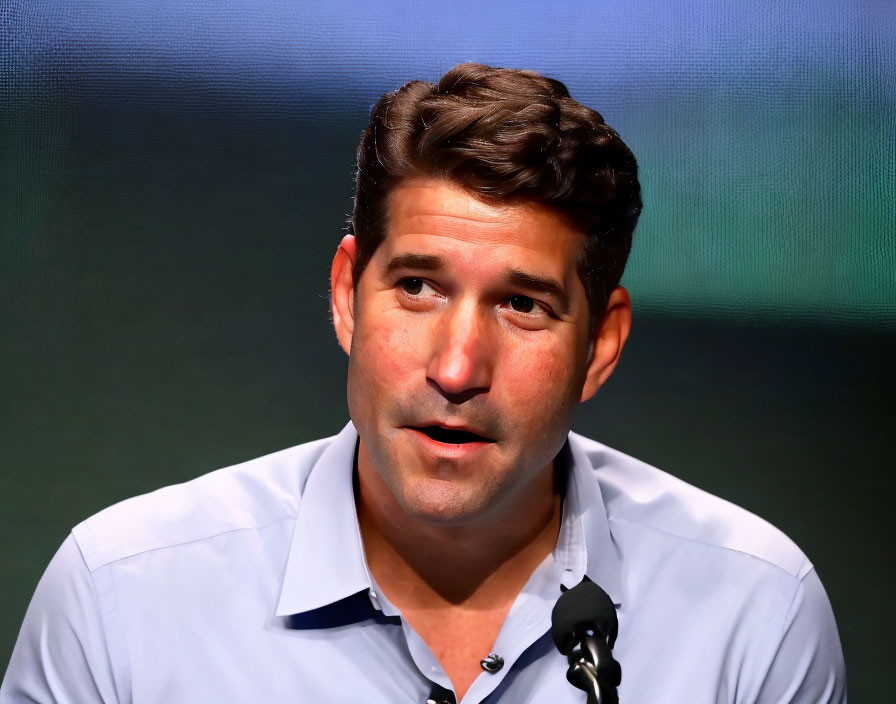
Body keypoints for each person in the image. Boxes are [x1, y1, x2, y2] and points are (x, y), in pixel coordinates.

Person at [1, 63, 845, 703]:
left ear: (601, 344)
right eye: (417, 287)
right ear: (346, 296)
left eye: (522, 304)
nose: (454, 368)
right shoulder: (119, 600)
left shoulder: (754, 615)